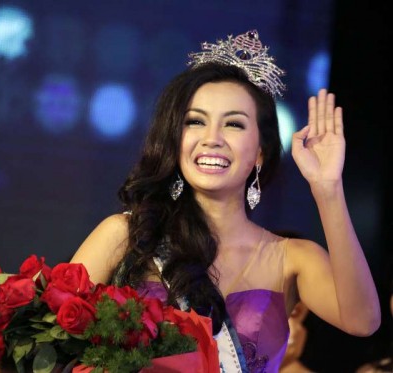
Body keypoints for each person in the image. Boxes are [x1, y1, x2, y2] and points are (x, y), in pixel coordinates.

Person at [70, 29, 381, 372]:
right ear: (175, 141)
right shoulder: (127, 235)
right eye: (195, 122)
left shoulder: (292, 257)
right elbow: (43, 336)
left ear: (259, 152)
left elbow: (363, 320)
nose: (212, 139)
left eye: (233, 124)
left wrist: (328, 188)